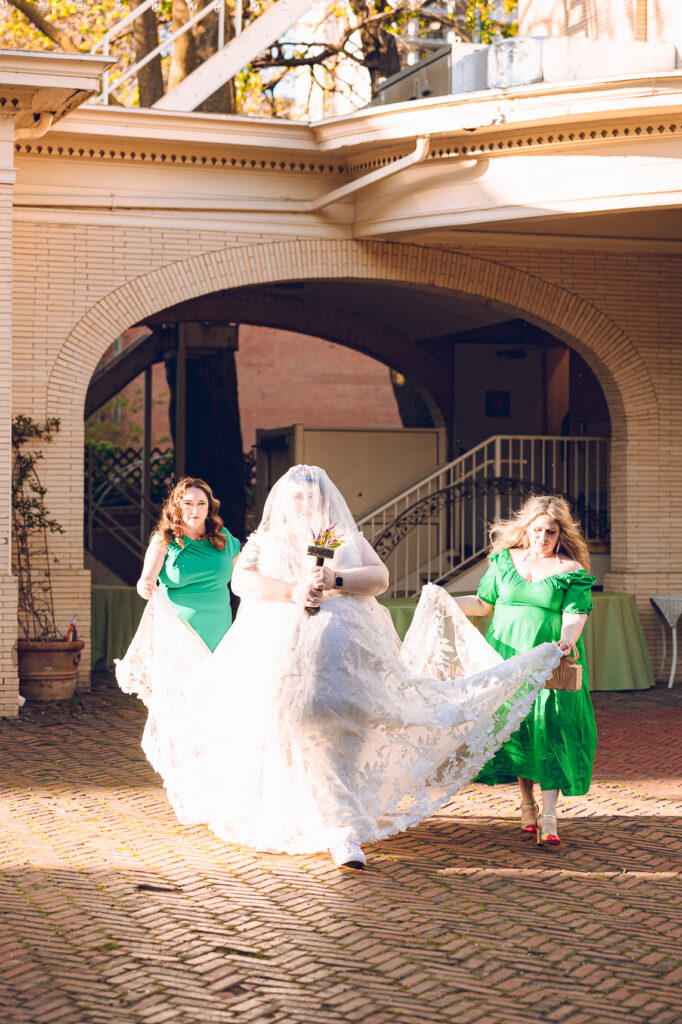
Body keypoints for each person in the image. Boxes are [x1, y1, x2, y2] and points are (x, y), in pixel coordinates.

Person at [117, 466, 564, 870]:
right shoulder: (266, 540)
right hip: (279, 657)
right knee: (287, 729)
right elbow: (242, 581)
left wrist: (335, 580)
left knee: (344, 727)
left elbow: (379, 577)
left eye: (311, 498)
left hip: (345, 660)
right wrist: (293, 591)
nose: (304, 506)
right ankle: (317, 816)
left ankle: (342, 827)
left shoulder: (335, 537)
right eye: (296, 499)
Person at [454, 494, 597, 847]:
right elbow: (483, 604)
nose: (542, 538)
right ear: (527, 528)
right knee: (518, 729)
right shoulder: (504, 560)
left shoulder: (570, 571)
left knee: (550, 729)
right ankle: (527, 802)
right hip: (505, 658)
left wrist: (567, 642)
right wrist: (445, 601)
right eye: (537, 530)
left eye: (551, 532)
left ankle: (550, 814)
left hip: (547, 659)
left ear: (561, 534)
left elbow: (575, 614)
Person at [136, 477, 241, 652]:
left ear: (209, 507)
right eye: (188, 504)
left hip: (219, 631)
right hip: (176, 634)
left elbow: (244, 575)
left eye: (201, 504)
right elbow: (146, 579)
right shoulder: (163, 539)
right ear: (177, 506)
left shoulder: (223, 537)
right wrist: (144, 586)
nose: (195, 510)